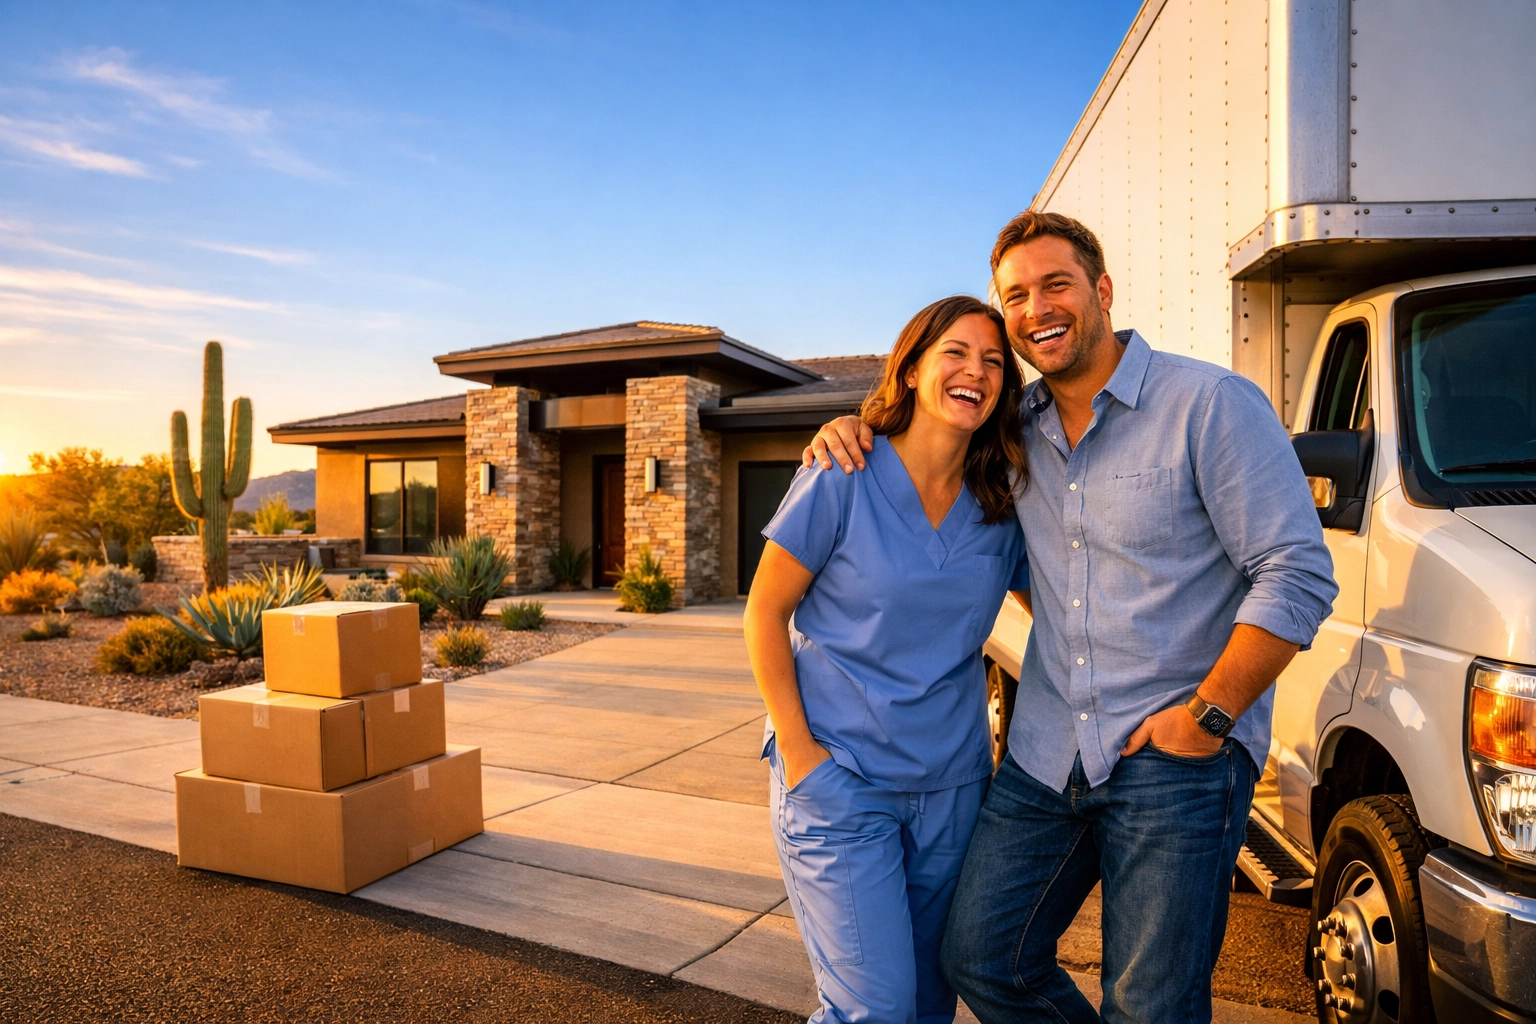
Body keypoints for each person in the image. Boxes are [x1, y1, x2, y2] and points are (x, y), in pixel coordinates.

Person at [805, 212, 1337, 1023]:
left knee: (1149, 1005)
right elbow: (931, 448)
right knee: (981, 958)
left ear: (1102, 290)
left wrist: (1207, 716)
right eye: (1015, 295)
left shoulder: (1210, 405)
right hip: (1048, 752)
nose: (1034, 308)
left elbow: (1297, 572)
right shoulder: (1012, 431)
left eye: (1055, 284)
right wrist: (855, 428)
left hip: (1177, 755)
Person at [746, 295, 1031, 1024]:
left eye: (994, 361)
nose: (977, 372)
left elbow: (1068, 609)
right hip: (842, 780)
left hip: (953, 789)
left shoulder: (1001, 503)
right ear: (910, 370)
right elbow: (765, 612)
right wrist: (802, 755)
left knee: (932, 1005)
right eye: (956, 354)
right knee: (872, 1011)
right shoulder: (844, 471)